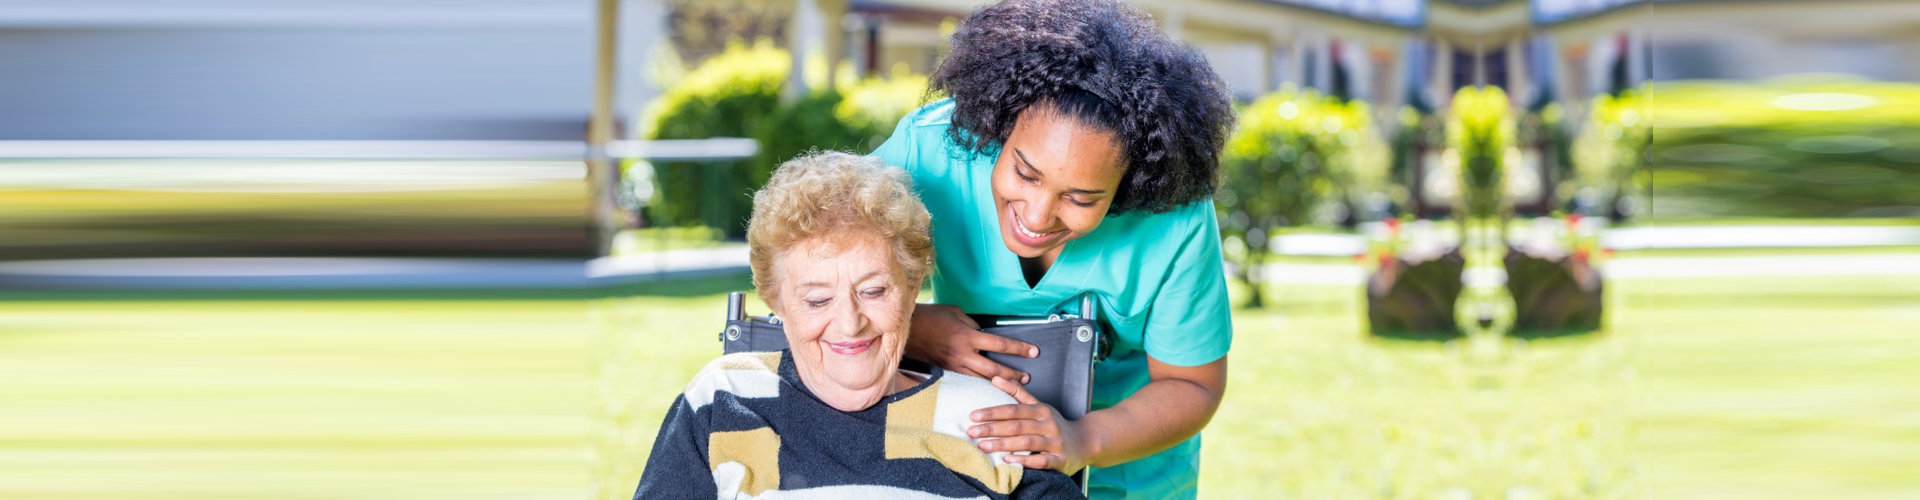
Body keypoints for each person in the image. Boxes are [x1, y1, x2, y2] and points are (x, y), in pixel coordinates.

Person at [870, 0, 1237, 498]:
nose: (1038, 217)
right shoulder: (926, 153)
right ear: (999, 126)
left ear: (1131, 186)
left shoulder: (1173, 217)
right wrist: (910, 327)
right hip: (962, 457)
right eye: (1025, 172)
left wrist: (1081, 439)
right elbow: (815, 272)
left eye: (1081, 198)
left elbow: (1193, 385)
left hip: (1128, 470)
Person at [634, 152, 1081, 499]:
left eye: (873, 291)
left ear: (911, 292)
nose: (849, 324)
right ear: (777, 302)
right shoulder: (726, 399)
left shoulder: (985, 419)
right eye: (817, 299)